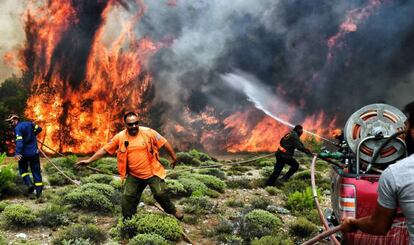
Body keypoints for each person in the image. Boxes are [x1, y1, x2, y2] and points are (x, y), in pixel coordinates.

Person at [76, 111, 183, 220]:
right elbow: (104, 150)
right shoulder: (120, 137)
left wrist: (174, 158)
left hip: (153, 172)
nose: (134, 126)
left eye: (136, 123)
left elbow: (164, 143)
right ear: (125, 124)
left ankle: (173, 210)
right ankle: (128, 221)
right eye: (130, 124)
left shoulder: (149, 132)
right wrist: (89, 161)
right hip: (134, 175)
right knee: (127, 198)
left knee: (160, 194)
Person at [342, 101, 414, 244]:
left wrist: (353, 223)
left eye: (406, 126)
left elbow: (378, 226)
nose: (402, 132)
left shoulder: (396, 174)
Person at [5, 114, 43, 199]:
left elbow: (20, 142)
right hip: (34, 153)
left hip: (24, 154)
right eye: (9, 123)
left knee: (22, 170)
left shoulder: (17, 128)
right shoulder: (30, 124)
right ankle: (39, 194)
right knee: (36, 172)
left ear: (15, 119)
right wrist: (33, 135)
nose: (10, 124)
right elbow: (39, 129)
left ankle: (29, 184)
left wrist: (17, 153)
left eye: (11, 122)